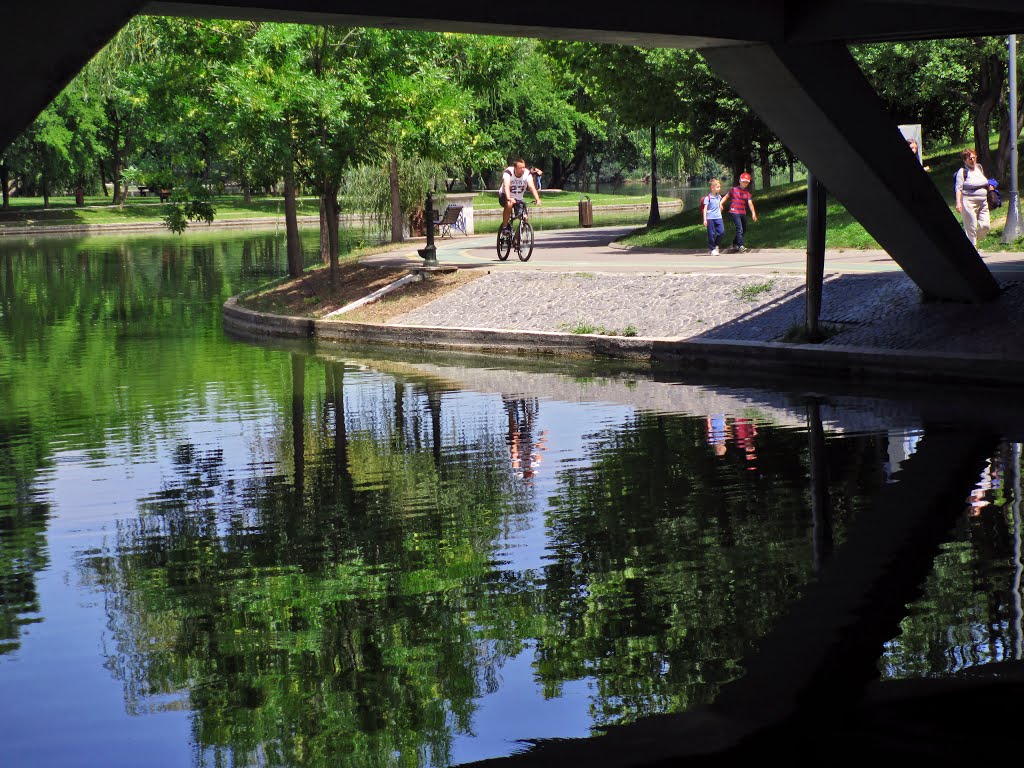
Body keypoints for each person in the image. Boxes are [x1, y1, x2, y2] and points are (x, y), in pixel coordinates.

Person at [954, 148, 991, 248]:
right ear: (964, 160)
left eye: (974, 157)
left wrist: (989, 185)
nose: (973, 160)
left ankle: (972, 239)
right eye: (970, 158)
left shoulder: (979, 167)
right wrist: (958, 203)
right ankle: (973, 246)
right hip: (968, 202)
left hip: (983, 202)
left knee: (986, 226)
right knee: (971, 227)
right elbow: (958, 188)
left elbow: (983, 182)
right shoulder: (962, 172)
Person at [499, 159, 542, 230]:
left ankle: (517, 238)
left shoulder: (527, 174)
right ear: (515, 168)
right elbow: (506, 185)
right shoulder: (509, 172)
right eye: (520, 168)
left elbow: (531, 187)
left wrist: (537, 199)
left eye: (524, 167)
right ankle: (505, 227)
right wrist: (509, 198)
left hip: (518, 199)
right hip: (505, 196)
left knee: (524, 218)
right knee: (509, 204)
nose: (523, 169)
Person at [721, 172, 758, 253]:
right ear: (740, 181)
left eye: (746, 182)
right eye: (743, 181)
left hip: (742, 213)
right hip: (734, 212)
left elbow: (750, 203)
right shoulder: (733, 190)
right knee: (739, 228)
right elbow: (726, 197)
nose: (745, 183)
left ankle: (735, 243)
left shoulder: (747, 193)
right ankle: (740, 245)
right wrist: (720, 203)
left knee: (743, 229)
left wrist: (753, 213)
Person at [701, 178, 725, 255]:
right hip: (710, 218)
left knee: (721, 232)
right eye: (717, 187)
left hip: (718, 217)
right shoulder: (707, 198)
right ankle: (712, 249)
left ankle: (715, 245)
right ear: (712, 188)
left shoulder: (719, 197)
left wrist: (720, 205)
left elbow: (719, 203)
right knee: (711, 234)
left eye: (719, 187)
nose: (719, 188)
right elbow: (705, 209)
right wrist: (705, 219)